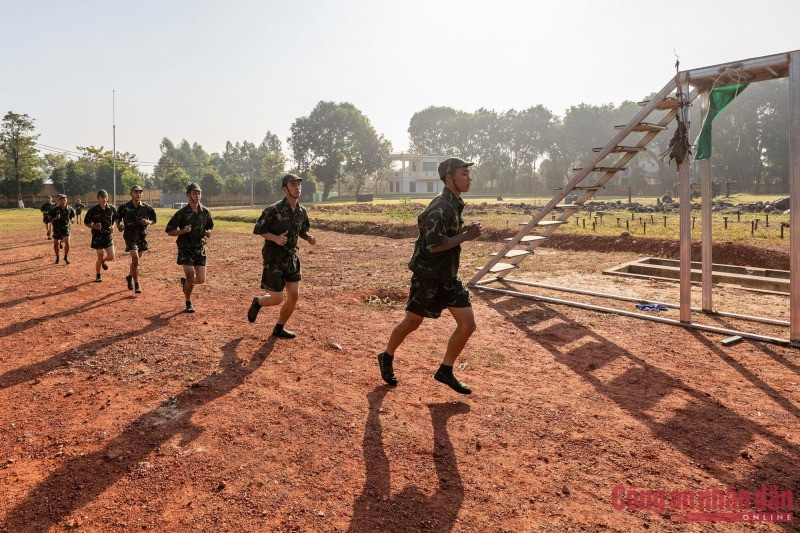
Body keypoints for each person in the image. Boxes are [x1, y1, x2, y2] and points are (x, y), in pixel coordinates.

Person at [377, 157, 482, 394]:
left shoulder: (454, 204)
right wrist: (466, 236)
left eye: (468, 174)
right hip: (428, 277)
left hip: (447, 276)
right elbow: (434, 245)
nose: (469, 178)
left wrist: (463, 232)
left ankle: (445, 370)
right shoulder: (440, 207)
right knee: (412, 322)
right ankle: (386, 355)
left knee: (468, 324)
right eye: (464, 174)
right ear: (449, 178)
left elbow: (446, 236)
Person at [247, 174, 316, 338]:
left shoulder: (301, 211)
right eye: (293, 184)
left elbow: (302, 230)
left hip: (291, 257)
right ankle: (258, 302)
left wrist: (308, 238)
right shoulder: (274, 210)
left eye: (299, 184)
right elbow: (258, 229)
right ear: (285, 189)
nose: (297, 187)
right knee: (277, 298)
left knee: (294, 296)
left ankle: (279, 327)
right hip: (274, 258)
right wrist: (275, 238)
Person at [165, 182, 214, 313]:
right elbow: (169, 230)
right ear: (188, 195)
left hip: (199, 248)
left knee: (201, 280)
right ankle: (188, 301)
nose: (197, 196)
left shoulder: (206, 212)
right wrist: (182, 231)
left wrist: (208, 231)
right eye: (194, 193)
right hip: (185, 248)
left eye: (199, 193)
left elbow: (209, 225)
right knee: (191, 275)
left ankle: (186, 282)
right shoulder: (182, 213)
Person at [115, 185, 156, 294]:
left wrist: (148, 222)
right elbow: (117, 219)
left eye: (140, 192)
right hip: (130, 236)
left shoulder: (146, 207)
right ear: (131, 193)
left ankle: (129, 276)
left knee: (136, 260)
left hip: (142, 236)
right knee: (136, 259)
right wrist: (119, 226)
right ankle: (136, 283)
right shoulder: (124, 207)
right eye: (136, 192)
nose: (138, 194)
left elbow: (153, 220)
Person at [83, 190, 117, 282]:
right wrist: (94, 226)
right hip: (97, 236)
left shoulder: (112, 208)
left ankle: (103, 261)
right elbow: (86, 222)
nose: (104, 199)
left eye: (105, 196)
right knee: (100, 255)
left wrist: (112, 226)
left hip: (108, 235)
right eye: (102, 197)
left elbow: (114, 219)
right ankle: (98, 274)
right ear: (98, 198)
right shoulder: (93, 210)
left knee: (111, 256)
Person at [48, 194, 75, 264]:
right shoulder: (54, 210)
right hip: (57, 228)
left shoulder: (70, 209)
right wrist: (55, 218)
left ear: (66, 200)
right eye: (61, 200)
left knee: (67, 242)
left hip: (66, 228)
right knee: (56, 243)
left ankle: (66, 256)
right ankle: (57, 256)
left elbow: (72, 215)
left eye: (65, 199)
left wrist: (72, 219)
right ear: (59, 201)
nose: (63, 201)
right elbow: (50, 219)